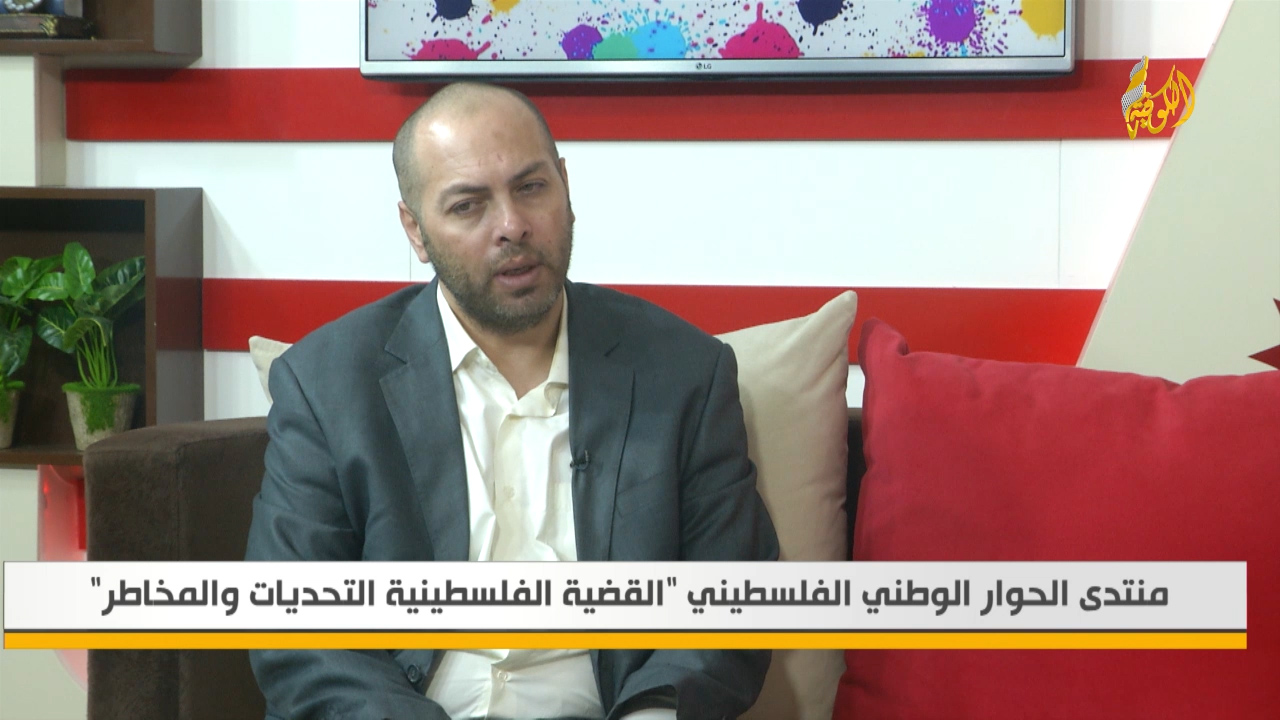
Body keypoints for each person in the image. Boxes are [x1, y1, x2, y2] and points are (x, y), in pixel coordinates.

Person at [244, 82, 779, 720]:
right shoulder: (327, 383)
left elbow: (731, 602)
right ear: (416, 230)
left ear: (565, 187)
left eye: (531, 187)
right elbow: (295, 623)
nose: (512, 226)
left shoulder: (684, 371)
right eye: (468, 205)